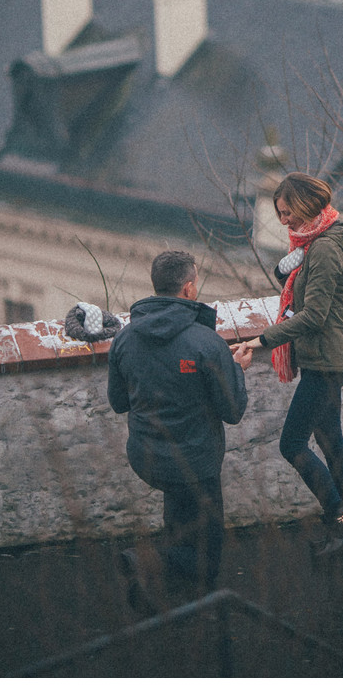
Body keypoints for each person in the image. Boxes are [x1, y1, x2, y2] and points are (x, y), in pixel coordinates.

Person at [107, 249, 252, 607]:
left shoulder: (124, 339)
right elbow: (233, 410)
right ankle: (146, 562)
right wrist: (236, 370)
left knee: (180, 513)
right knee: (207, 556)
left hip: (147, 458)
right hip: (196, 461)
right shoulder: (207, 343)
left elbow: (118, 402)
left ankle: (162, 595)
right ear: (189, 288)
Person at [236, 172, 343, 557]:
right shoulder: (312, 247)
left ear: (306, 203)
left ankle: (342, 522)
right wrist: (288, 271)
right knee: (330, 441)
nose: (283, 220)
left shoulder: (324, 249)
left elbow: (314, 316)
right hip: (321, 359)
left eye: (286, 211)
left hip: (326, 361)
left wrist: (262, 340)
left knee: (292, 444)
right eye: (278, 213)